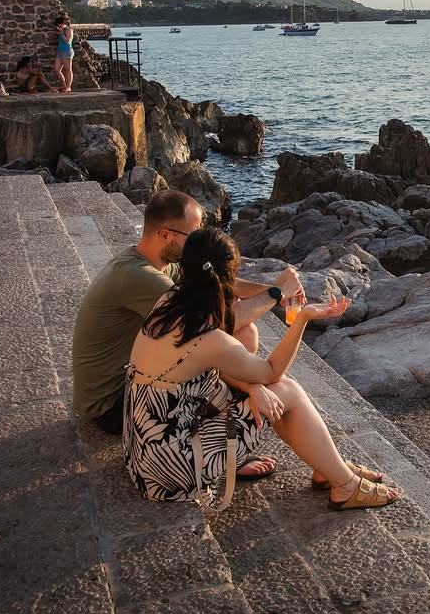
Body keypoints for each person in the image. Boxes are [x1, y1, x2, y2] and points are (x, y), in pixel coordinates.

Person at [125, 226, 400, 511]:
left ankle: (329, 467)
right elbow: (271, 371)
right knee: (287, 391)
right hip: (172, 466)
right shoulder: (209, 338)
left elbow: (213, 357)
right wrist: (303, 318)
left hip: (145, 450)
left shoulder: (171, 301)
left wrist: (253, 387)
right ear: (227, 279)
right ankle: (345, 485)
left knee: (267, 383)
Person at [71, 190, 303, 479]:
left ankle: (231, 415)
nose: (197, 243)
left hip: (133, 379)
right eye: (192, 234)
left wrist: (274, 289)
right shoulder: (142, 278)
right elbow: (209, 329)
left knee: (245, 333)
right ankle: (221, 450)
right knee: (232, 342)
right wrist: (276, 294)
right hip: (112, 403)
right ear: (166, 234)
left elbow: (224, 285)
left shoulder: (162, 263)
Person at [54, 15, 74, 93]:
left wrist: (61, 32)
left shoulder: (69, 30)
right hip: (60, 52)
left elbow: (67, 41)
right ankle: (64, 85)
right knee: (56, 69)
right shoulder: (60, 30)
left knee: (68, 69)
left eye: (59, 25)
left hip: (67, 51)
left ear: (62, 23)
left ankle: (68, 87)